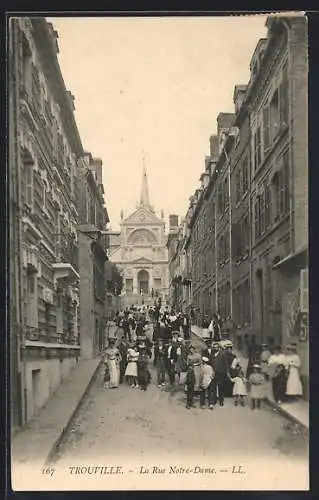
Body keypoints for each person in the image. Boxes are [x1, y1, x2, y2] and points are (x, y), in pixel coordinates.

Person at [210, 342, 229, 406]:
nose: (215, 348)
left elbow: (226, 364)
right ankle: (214, 400)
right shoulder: (212, 354)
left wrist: (227, 372)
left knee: (220, 387)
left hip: (221, 372)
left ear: (219, 348)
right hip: (214, 372)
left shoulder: (222, 354)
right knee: (214, 387)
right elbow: (211, 363)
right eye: (214, 347)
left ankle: (221, 401)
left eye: (217, 347)